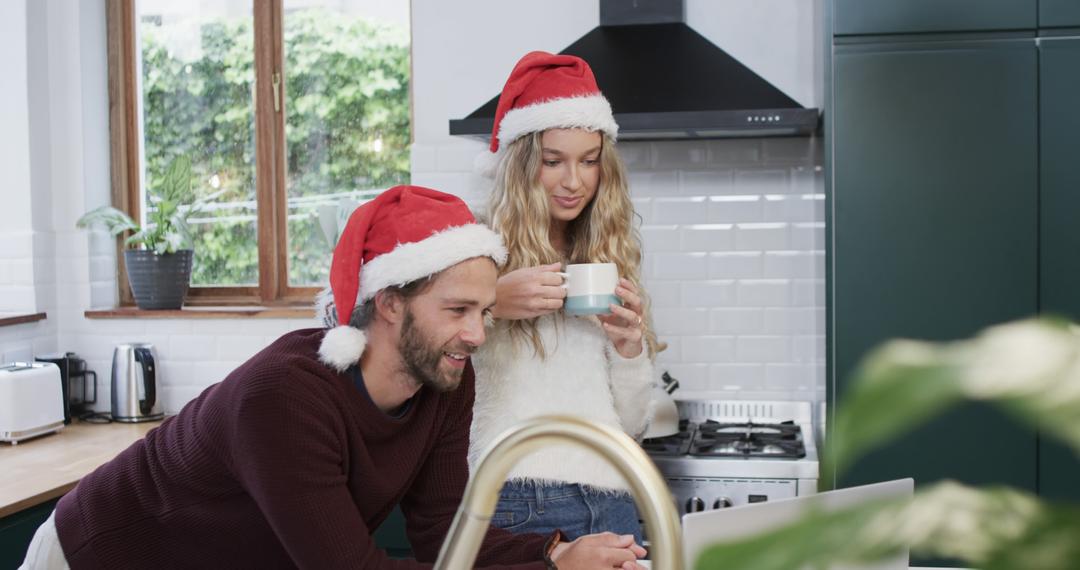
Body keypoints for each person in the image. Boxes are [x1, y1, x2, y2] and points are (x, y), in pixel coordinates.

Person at [20, 186, 647, 570]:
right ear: (391, 303)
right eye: (457, 310)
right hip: (102, 557)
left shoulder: (443, 382)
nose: (478, 334)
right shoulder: (284, 398)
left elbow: (446, 536)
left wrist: (552, 555)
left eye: (484, 312)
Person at [468, 52, 659, 544]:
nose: (574, 181)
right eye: (554, 161)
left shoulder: (604, 253)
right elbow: (393, 338)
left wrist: (629, 349)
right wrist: (491, 304)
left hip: (614, 494)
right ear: (521, 162)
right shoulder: (473, 245)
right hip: (514, 496)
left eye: (589, 161)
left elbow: (633, 423)